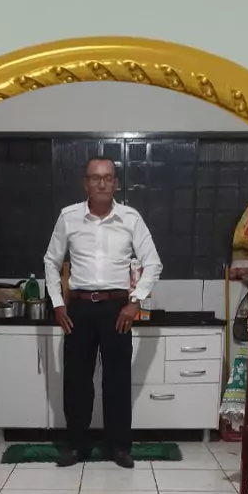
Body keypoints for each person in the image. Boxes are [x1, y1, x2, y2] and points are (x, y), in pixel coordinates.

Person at [44, 157, 162, 468]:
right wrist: (57, 303)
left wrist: (135, 301)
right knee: (76, 380)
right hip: (79, 308)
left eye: (108, 177)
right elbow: (50, 261)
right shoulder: (68, 217)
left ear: (116, 183)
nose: (101, 183)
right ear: (85, 183)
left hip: (117, 308)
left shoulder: (131, 219)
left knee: (117, 380)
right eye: (95, 177)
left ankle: (118, 447)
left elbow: (153, 263)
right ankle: (77, 445)